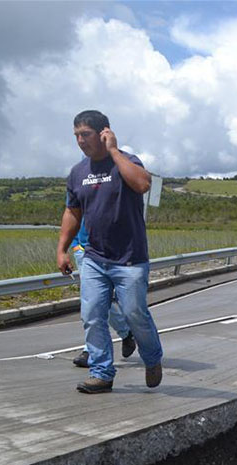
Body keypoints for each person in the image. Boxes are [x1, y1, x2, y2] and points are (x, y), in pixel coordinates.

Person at [57, 110, 163, 394]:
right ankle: (102, 372)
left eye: (86, 135)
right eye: (76, 135)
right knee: (92, 314)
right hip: (94, 257)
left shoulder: (127, 161)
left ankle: (152, 358)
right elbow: (72, 211)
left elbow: (142, 184)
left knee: (133, 313)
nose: (80, 141)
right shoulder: (78, 173)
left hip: (130, 258)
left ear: (104, 132)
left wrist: (114, 151)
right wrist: (62, 249)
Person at [70, 217, 135, 368]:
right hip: (83, 251)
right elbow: (73, 213)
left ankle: (92, 352)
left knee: (97, 302)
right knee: (94, 302)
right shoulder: (79, 192)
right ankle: (125, 333)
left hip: (109, 251)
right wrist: (74, 245)